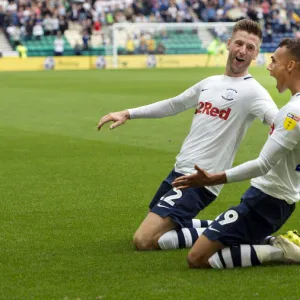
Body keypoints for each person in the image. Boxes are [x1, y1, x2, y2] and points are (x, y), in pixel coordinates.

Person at [97, 19, 278, 251]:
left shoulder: (254, 92)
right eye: (239, 43)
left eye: (250, 47)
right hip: (178, 171)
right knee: (160, 228)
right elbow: (174, 104)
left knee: (144, 240)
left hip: (200, 179)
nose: (243, 50)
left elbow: (280, 121)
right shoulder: (210, 83)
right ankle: (224, 226)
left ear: (256, 54)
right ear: (229, 43)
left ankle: (240, 231)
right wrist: (128, 113)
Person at [172, 38, 300, 269]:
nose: (269, 67)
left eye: (274, 61)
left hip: (267, 200)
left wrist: (213, 178)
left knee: (197, 257)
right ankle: (271, 242)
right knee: (218, 242)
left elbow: (262, 165)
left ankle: (282, 251)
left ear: (290, 66)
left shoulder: (292, 113)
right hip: (275, 199)